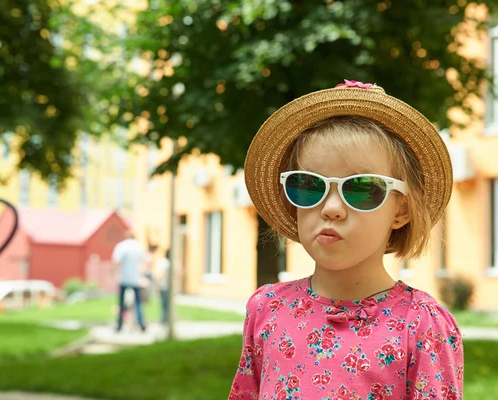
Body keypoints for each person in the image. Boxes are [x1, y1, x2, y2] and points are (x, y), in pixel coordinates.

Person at [229, 80, 463, 399]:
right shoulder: (267, 309)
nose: (332, 208)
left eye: (361, 189)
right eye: (309, 185)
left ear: (402, 208)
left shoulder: (420, 324)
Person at [112, 230, 148, 332]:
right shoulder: (139, 246)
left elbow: (116, 261)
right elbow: (145, 262)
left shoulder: (121, 246)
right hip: (136, 279)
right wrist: (144, 276)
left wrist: (113, 273)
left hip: (124, 278)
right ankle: (141, 323)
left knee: (121, 303)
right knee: (138, 303)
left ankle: (119, 324)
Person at [154, 248, 172, 324]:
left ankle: (164, 320)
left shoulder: (162, 262)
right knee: (166, 306)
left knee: (164, 305)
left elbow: (158, 275)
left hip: (163, 286)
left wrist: (157, 286)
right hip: (166, 287)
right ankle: (164, 321)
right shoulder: (168, 264)